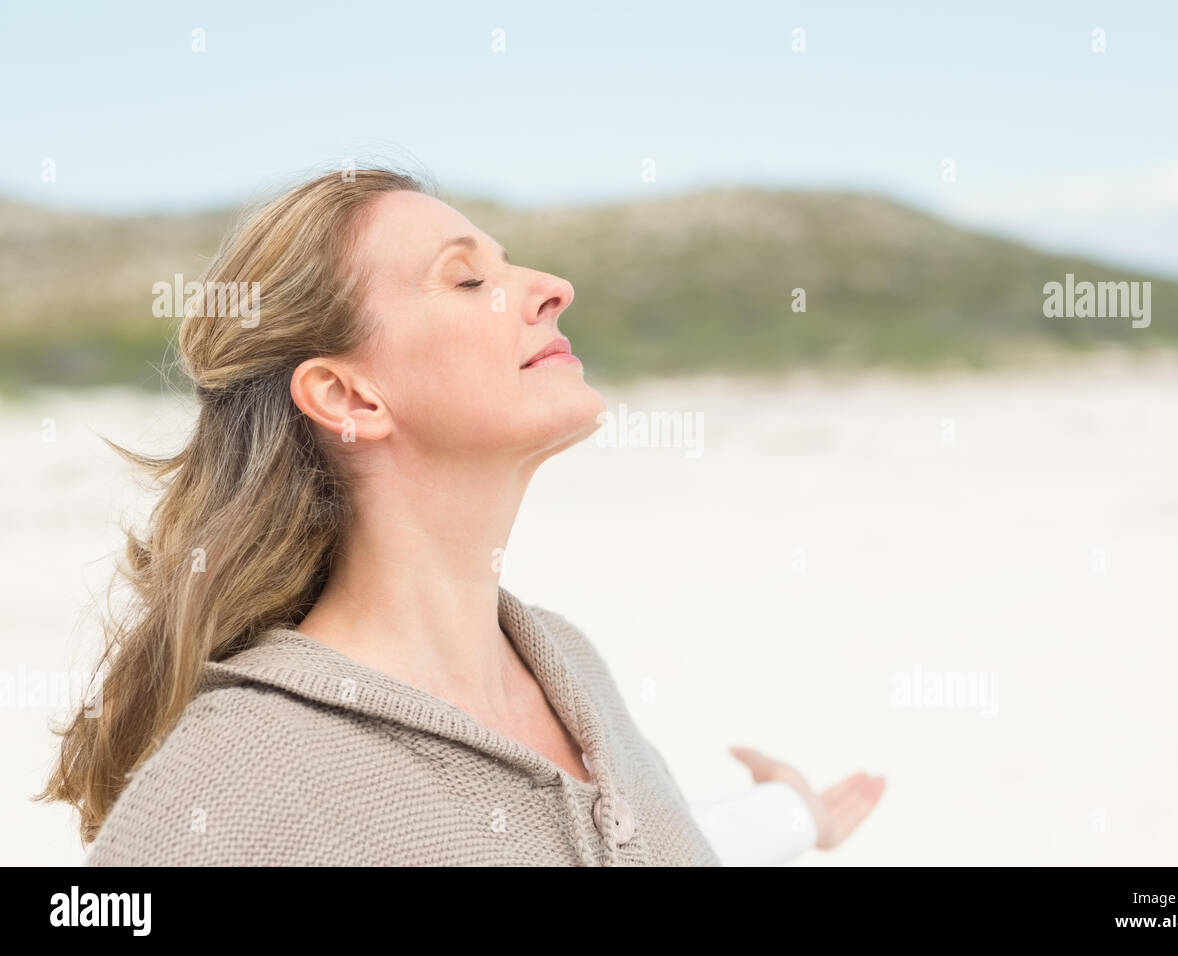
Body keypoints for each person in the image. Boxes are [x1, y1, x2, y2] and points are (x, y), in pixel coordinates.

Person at [39, 168, 886, 865]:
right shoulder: (233, 783)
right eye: (469, 279)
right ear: (349, 396)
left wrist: (788, 818)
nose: (553, 289)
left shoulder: (566, 667)